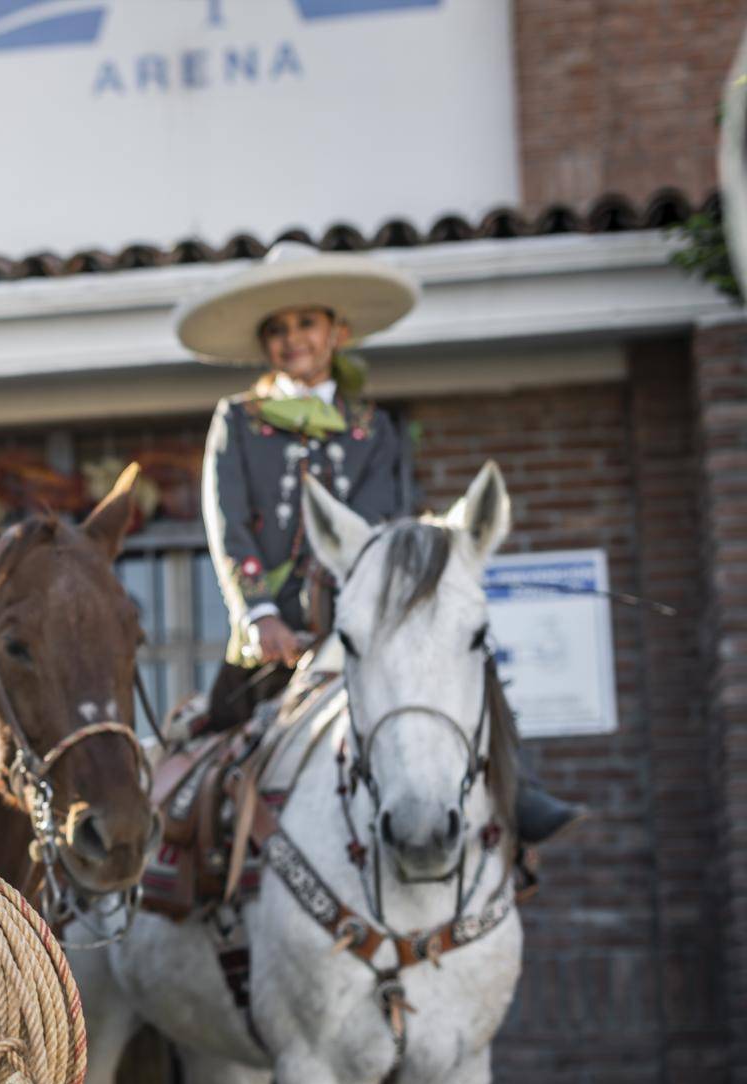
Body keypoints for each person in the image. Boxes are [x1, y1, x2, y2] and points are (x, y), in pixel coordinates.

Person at [176, 240, 579, 842]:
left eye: (307, 323)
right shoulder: (237, 420)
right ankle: (201, 873)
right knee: (217, 754)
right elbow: (227, 523)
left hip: (364, 620)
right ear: (265, 344)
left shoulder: (374, 429)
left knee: (462, 666)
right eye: (278, 329)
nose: (294, 339)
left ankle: (513, 787)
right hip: (274, 631)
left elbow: (384, 523)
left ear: (336, 332)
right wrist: (258, 614)